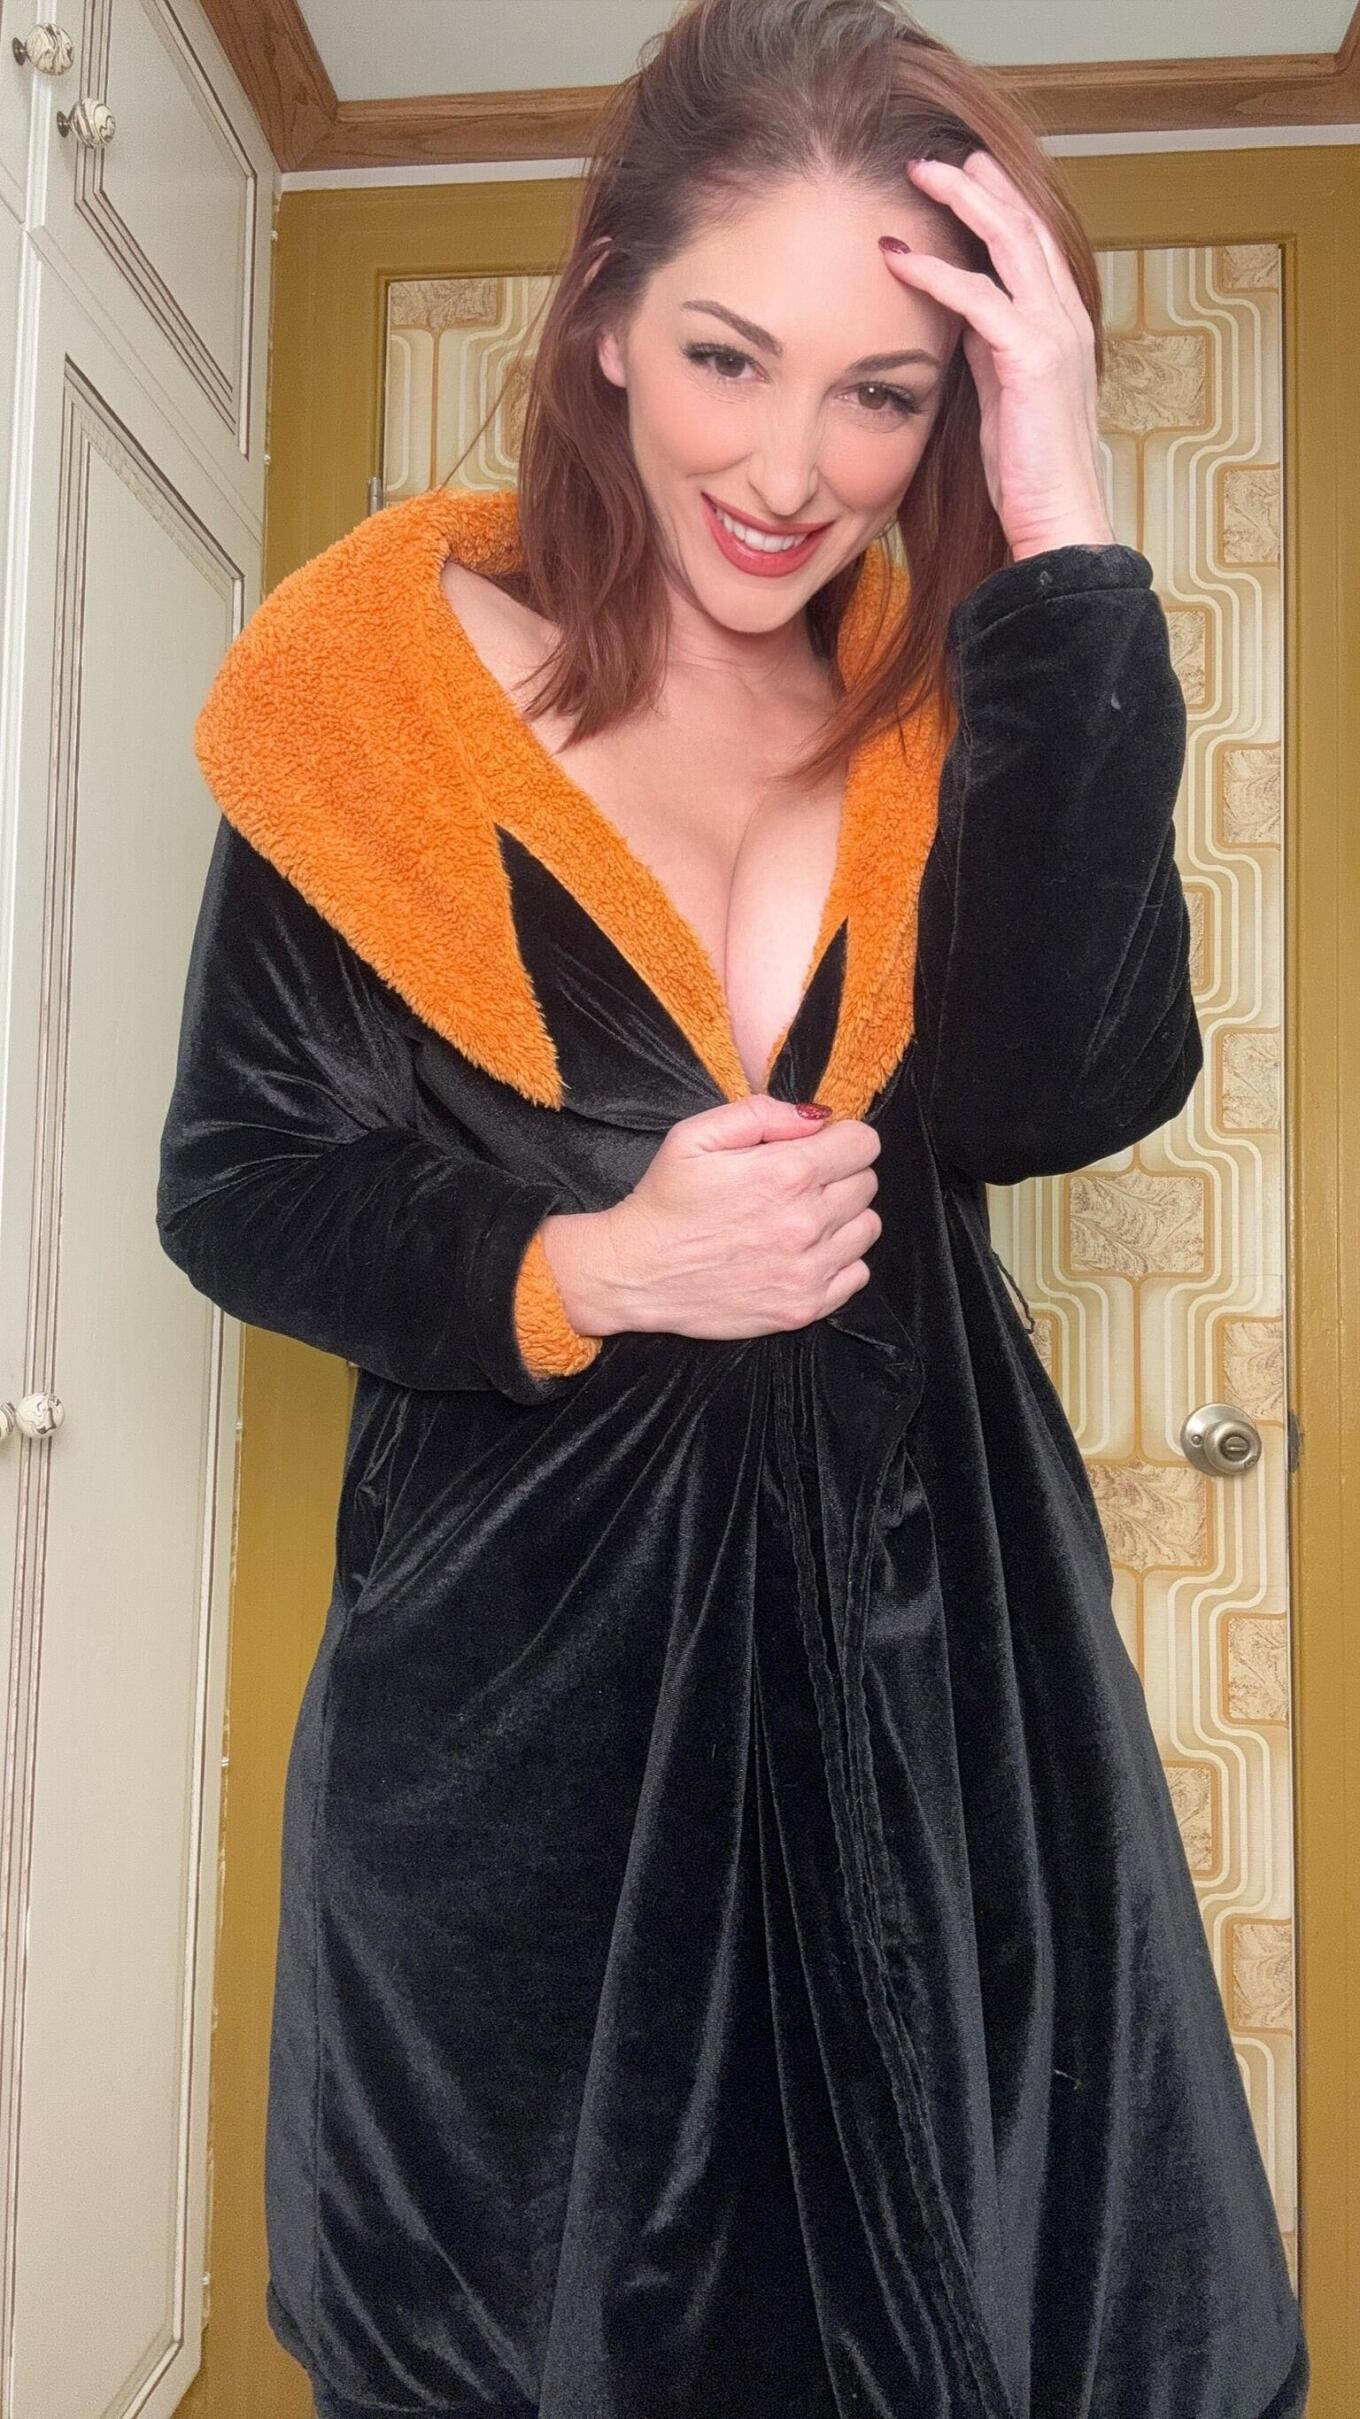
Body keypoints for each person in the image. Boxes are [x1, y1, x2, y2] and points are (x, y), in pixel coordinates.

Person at [156, 2, 1310, 2414]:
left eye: (884, 395)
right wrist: (580, 1265)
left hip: (937, 1657)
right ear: (599, 315)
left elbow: (1065, 1087)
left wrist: (1064, 526)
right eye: (725, 357)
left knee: (991, 2293)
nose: (791, 470)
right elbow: (241, 1185)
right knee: (528, 2315)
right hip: (529, 1696)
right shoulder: (370, 702)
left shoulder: (941, 704)